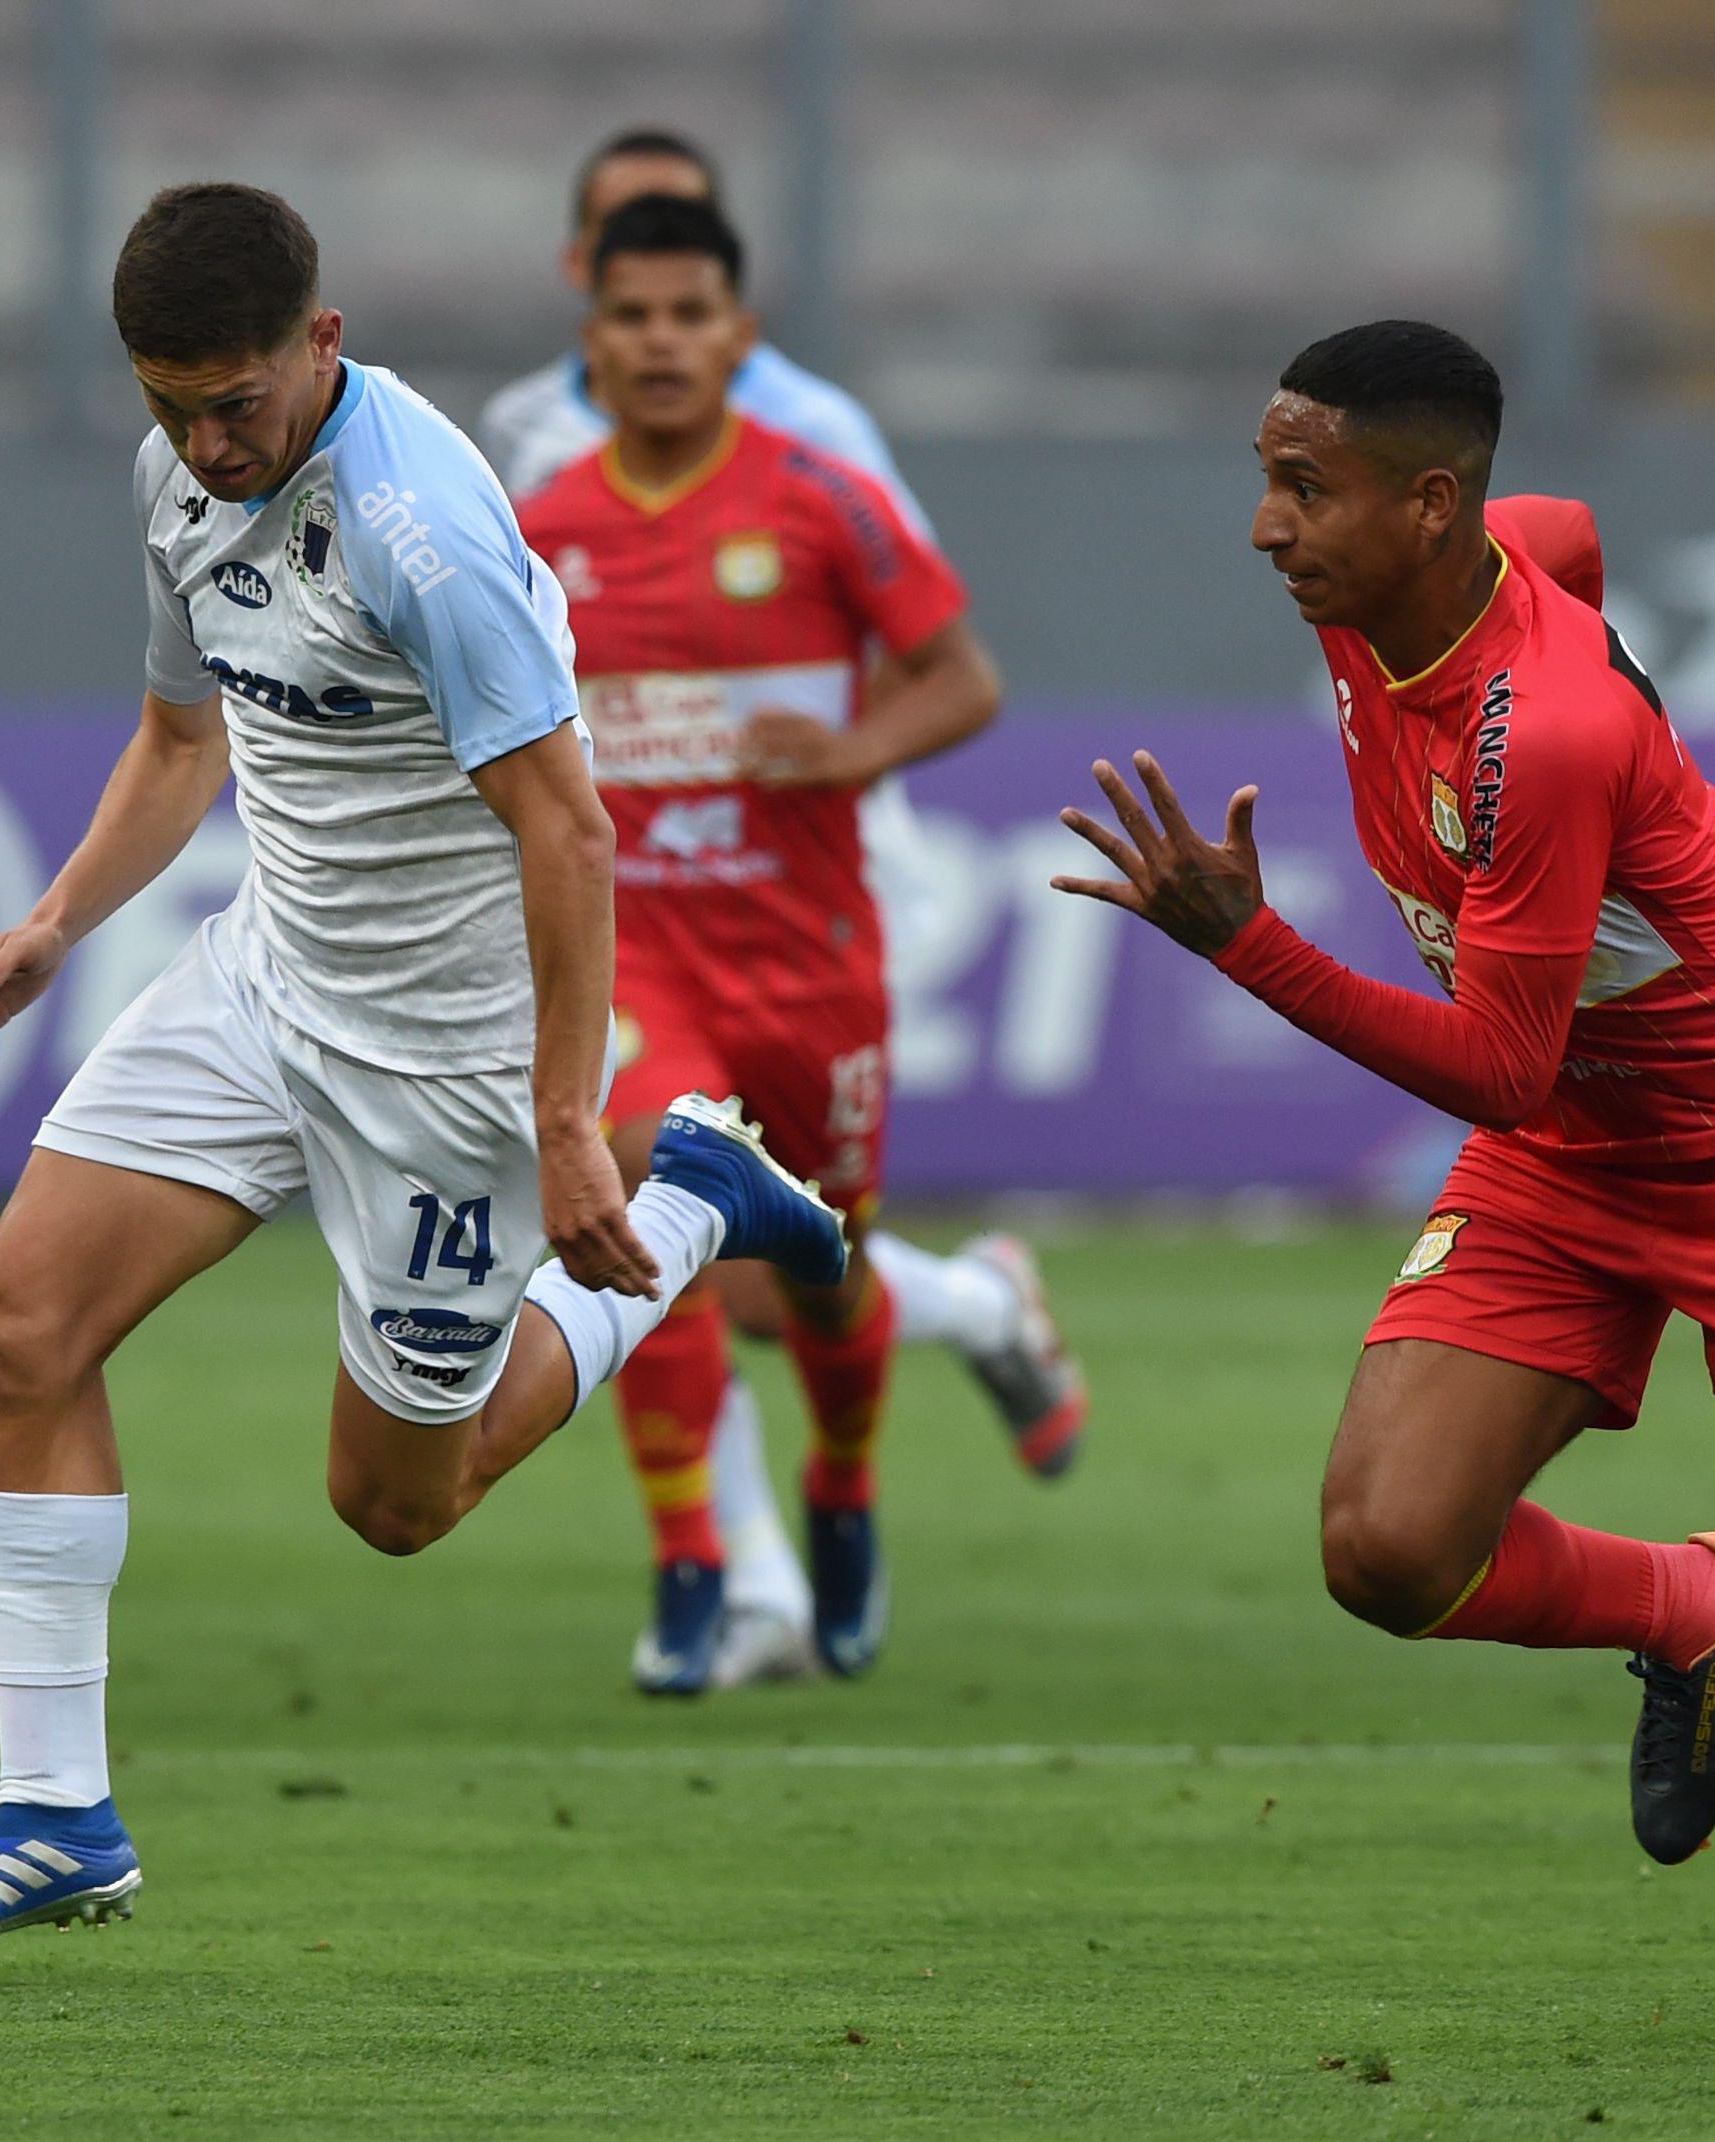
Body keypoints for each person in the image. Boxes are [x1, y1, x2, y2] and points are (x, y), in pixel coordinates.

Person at [0, 183, 850, 1959]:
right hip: (261, 980)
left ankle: (694, 1194)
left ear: (322, 343)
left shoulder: (420, 530)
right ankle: (55, 1815)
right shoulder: (182, 469)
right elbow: (182, 733)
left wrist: (562, 1123)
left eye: (235, 403)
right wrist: (55, 925)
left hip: (444, 1065)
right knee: (10, 1321)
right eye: (169, 404)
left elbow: (566, 827)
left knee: (400, 1503)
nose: (205, 442)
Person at [1053, 319, 1715, 2040]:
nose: (1265, 529)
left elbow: (1497, 1064)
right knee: (1386, 1547)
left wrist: (1243, 943)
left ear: (1424, 505)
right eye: (1265, 480)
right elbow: (1556, 535)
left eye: (1299, 489)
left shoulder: (1533, 735)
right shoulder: (1412, 586)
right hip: (1573, 1158)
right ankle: (1684, 1599)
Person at [487, 126, 1087, 1689]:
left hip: (811, 960)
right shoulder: (538, 529)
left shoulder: (822, 491)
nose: (662, 343)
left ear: (738, 334)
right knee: (634, 1204)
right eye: (633, 318)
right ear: (590, 334)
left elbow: (963, 675)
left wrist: (849, 748)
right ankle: (691, 1549)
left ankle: (839, 1487)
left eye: (691, 316)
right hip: (641, 957)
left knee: (822, 1277)